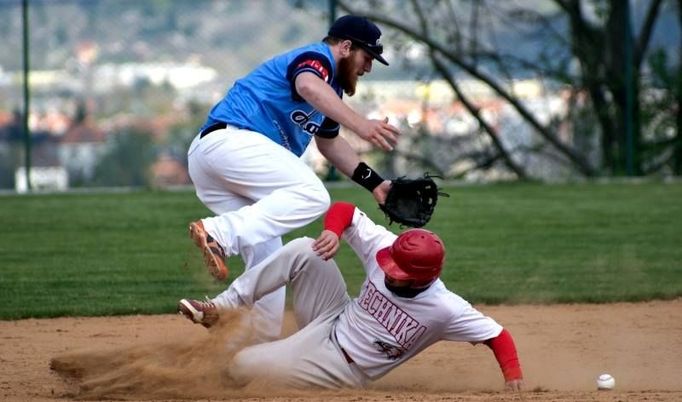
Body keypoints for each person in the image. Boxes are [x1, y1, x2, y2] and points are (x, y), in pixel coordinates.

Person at [185, 15, 400, 340]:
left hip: (220, 161)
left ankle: (251, 350)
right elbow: (307, 85)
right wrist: (362, 124)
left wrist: (376, 183)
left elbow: (329, 144)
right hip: (230, 142)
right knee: (313, 195)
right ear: (345, 47)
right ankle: (218, 233)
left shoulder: (332, 92)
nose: (368, 67)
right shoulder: (317, 59)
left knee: (270, 266)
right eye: (367, 57)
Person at [177, 202, 524, 391]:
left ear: (424, 277)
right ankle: (223, 305)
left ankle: (213, 387)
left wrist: (514, 379)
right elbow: (345, 208)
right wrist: (332, 230)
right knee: (304, 249)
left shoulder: (445, 308)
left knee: (243, 363)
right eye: (391, 265)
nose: (388, 271)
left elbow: (498, 336)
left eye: (398, 274)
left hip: (340, 368)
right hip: (333, 315)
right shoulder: (387, 247)